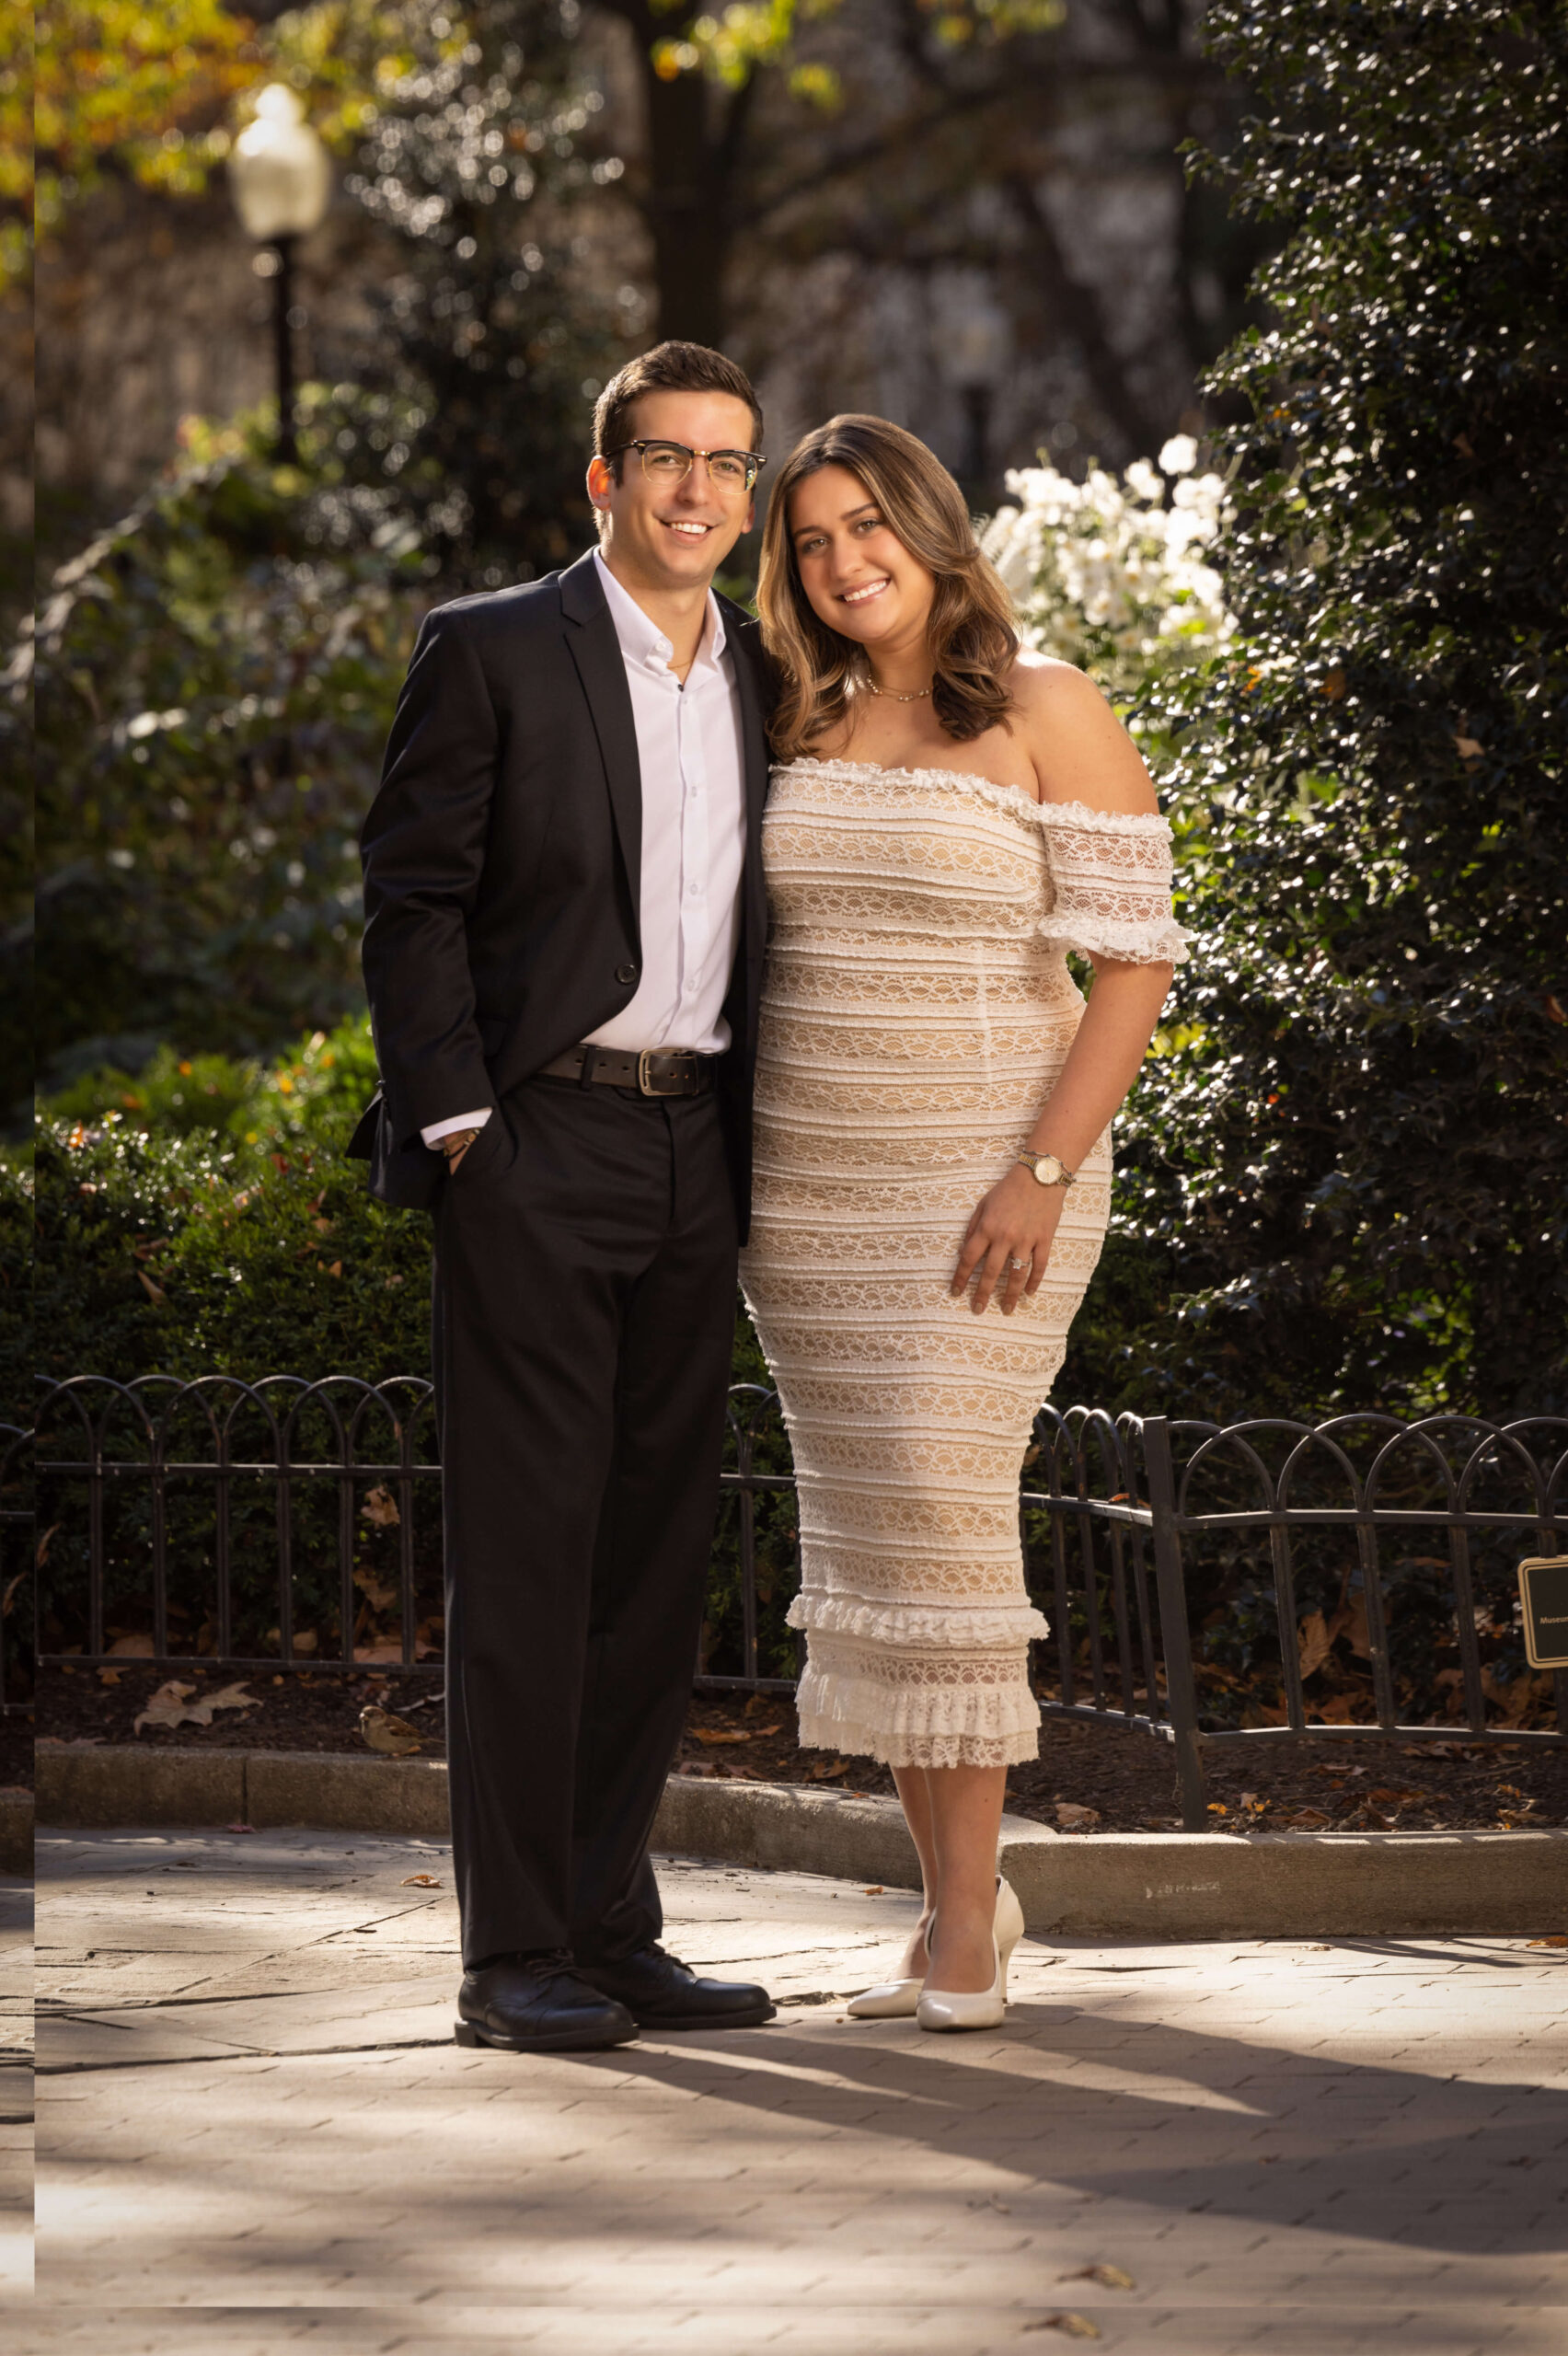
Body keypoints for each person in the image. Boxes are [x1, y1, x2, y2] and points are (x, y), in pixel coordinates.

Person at [353, 342, 778, 2052]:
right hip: (537, 1144)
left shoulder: (763, 668)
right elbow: (410, 902)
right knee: (531, 1563)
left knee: (652, 1565)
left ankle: (612, 1927)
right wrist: (465, 1129)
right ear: (602, 481)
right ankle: (509, 1952)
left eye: (728, 465)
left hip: (699, 1150)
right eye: (666, 458)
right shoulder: (495, 648)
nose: (699, 490)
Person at [743, 415, 1187, 2030]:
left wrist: (1043, 1173)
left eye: (870, 525)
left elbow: (1130, 966)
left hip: (996, 1177)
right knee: (880, 1537)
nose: (845, 559)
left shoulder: (1046, 706)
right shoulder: (798, 712)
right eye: (809, 540)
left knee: (945, 1509)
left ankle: (957, 1934)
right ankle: (958, 1914)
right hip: (806, 1195)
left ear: (931, 529)